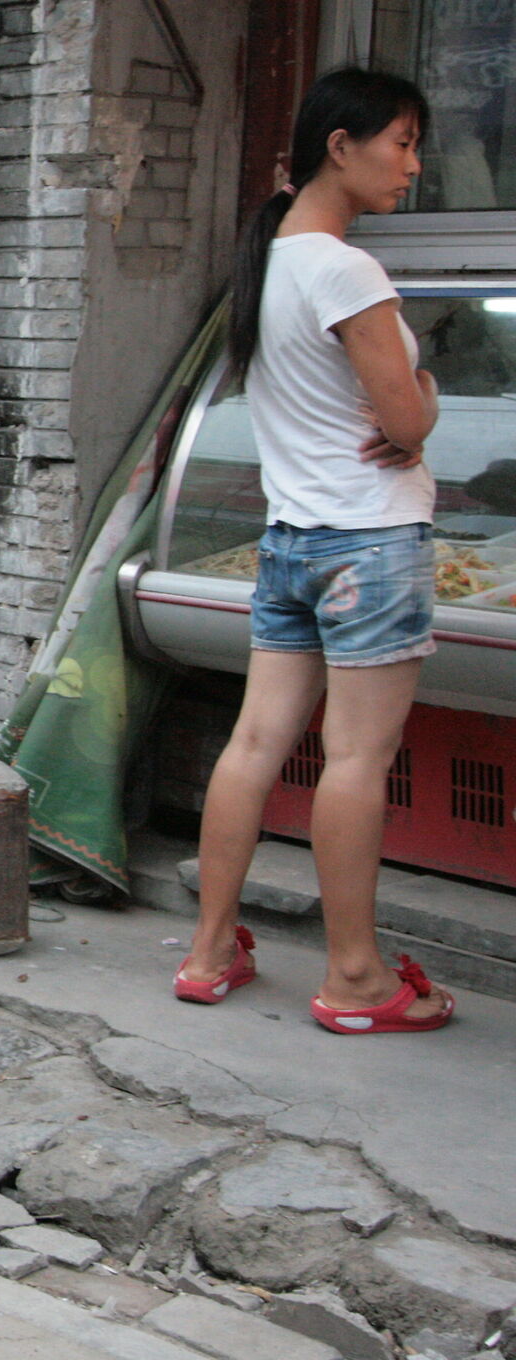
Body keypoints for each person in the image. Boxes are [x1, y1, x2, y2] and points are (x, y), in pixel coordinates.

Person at [180, 67, 454, 1035]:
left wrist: (405, 411)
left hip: (291, 539)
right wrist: (421, 400)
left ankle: (211, 950)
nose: (413, 167)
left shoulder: (273, 261)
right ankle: (356, 978)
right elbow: (404, 416)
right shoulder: (346, 268)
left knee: (254, 743)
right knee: (355, 758)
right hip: (370, 541)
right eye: (403, 142)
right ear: (341, 145)